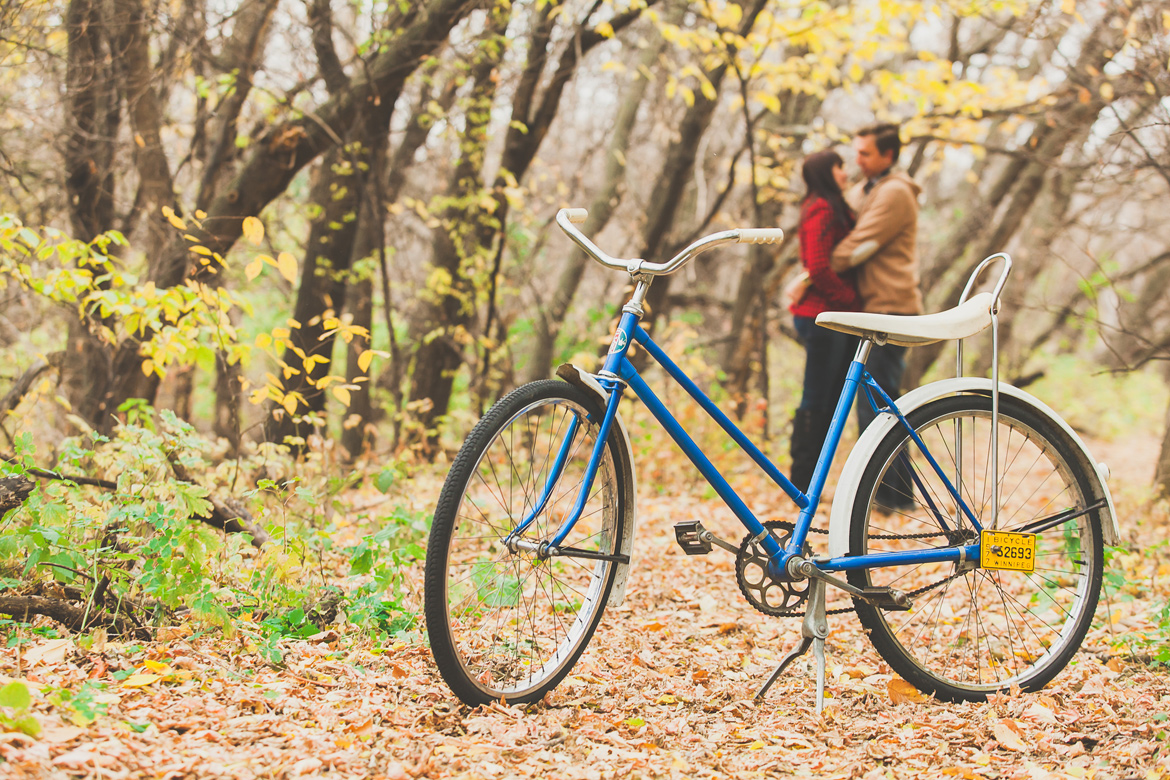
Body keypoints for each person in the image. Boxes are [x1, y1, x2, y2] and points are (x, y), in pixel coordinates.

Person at [830, 122, 924, 512]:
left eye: (866, 153)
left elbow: (851, 250)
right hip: (872, 310)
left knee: (879, 406)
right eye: (857, 152)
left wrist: (828, 259)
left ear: (888, 155)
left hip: (891, 309)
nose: (858, 160)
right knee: (875, 404)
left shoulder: (895, 193)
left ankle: (895, 497)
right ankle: (892, 495)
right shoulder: (868, 188)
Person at [787, 149, 861, 493]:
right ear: (825, 172)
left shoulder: (833, 204)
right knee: (816, 399)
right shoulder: (821, 208)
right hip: (820, 316)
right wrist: (848, 299)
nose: (845, 172)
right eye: (839, 167)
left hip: (832, 316)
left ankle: (812, 481)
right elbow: (817, 266)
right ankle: (800, 479)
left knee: (832, 399)